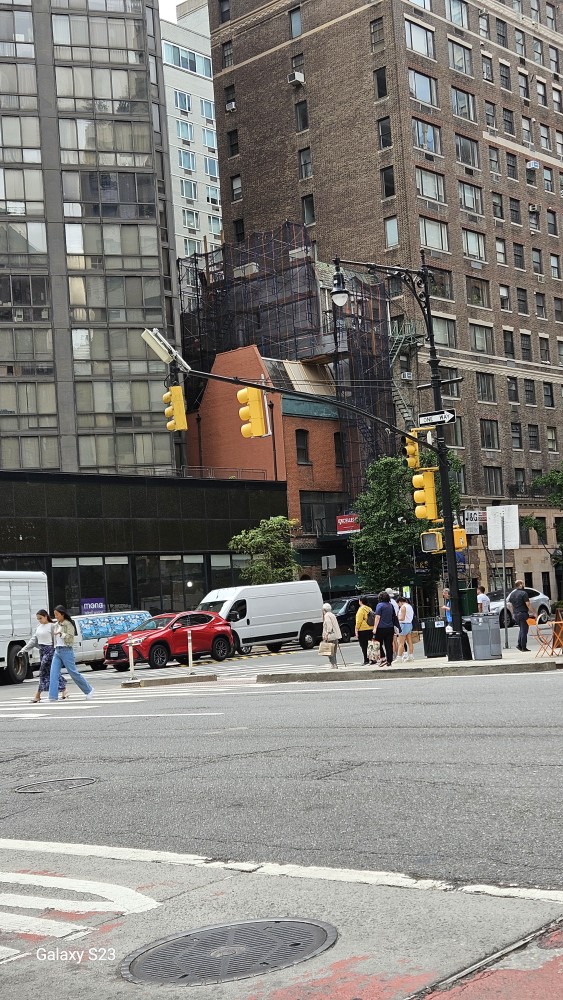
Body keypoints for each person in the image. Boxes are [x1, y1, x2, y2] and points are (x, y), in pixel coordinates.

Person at [20, 610, 68, 704]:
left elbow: (57, 639)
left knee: (42, 672)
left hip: (50, 650)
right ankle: (64, 688)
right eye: (38, 619)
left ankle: (38, 695)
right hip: (42, 651)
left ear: (46, 616)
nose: (39, 620)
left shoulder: (52, 626)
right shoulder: (38, 627)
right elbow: (33, 640)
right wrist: (23, 650)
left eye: (40, 618)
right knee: (51, 672)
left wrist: (58, 651)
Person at [48, 605, 94, 702]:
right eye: (54, 614)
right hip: (57, 650)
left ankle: (89, 690)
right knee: (53, 674)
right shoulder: (56, 625)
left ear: (62, 614)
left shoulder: (68, 624)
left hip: (66, 650)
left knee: (73, 673)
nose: (56, 616)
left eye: (57, 614)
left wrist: (61, 634)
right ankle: (52, 697)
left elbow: (70, 637)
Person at [508, 581, 534, 652]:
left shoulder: (512, 594)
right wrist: (534, 613)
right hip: (522, 613)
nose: (524, 585)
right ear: (520, 585)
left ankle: (519, 645)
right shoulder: (523, 593)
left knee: (522, 629)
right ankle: (523, 646)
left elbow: (511, 605)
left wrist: (513, 613)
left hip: (516, 614)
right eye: (523, 584)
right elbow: (528, 604)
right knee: (524, 630)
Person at [372, 591, 396, 666]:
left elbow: (377, 617)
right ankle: (389, 660)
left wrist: (375, 628)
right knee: (388, 645)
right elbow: (393, 616)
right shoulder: (390, 605)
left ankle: (382, 657)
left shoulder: (379, 605)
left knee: (378, 644)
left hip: (381, 628)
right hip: (390, 627)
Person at [322, 603, 342, 669]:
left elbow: (329, 625)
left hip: (330, 636)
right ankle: (335, 664)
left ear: (324, 609)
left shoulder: (327, 615)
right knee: (334, 651)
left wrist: (327, 634)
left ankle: (333, 664)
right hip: (335, 635)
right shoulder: (332, 614)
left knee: (329, 651)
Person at [355, 596, 373, 665]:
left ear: (361, 601)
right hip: (370, 628)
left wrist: (356, 629)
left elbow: (358, 621)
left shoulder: (361, 609)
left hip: (363, 629)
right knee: (370, 645)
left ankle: (366, 660)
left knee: (364, 645)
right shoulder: (369, 608)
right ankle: (372, 659)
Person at [397, 597, 414, 661]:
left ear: (400, 602)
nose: (399, 605)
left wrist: (397, 619)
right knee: (409, 642)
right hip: (409, 624)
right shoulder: (409, 606)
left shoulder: (403, 607)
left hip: (403, 625)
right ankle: (411, 656)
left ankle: (399, 657)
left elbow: (402, 618)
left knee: (401, 642)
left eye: (398, 604)